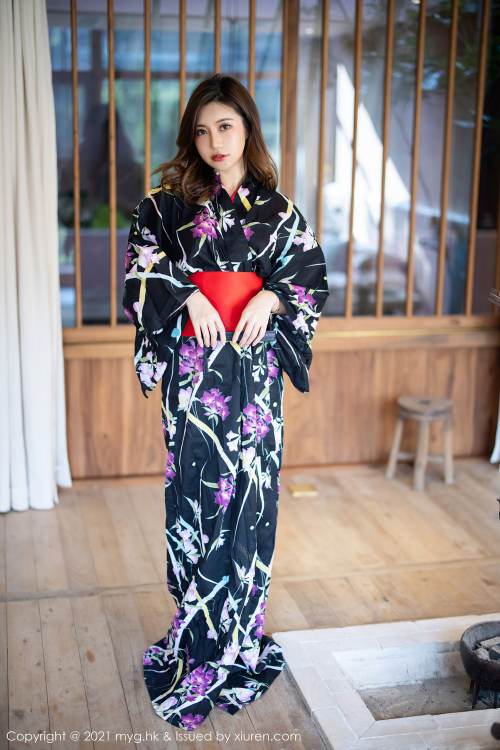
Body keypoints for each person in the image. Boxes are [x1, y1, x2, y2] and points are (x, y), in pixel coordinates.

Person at [122, 73, 329, 729]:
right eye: (203, 129)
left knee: (252, 499)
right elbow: (140, 269)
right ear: (192, 135)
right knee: (196, 496)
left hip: (254, 376)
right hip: (194, 379)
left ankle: (240, 640)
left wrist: (271, 296)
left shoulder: (279, 211)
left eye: (227, 126)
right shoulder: (162, 206)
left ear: (247, 129)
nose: (215, 140)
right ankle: (196, 640)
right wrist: (187, 296)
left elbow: (308, 275)